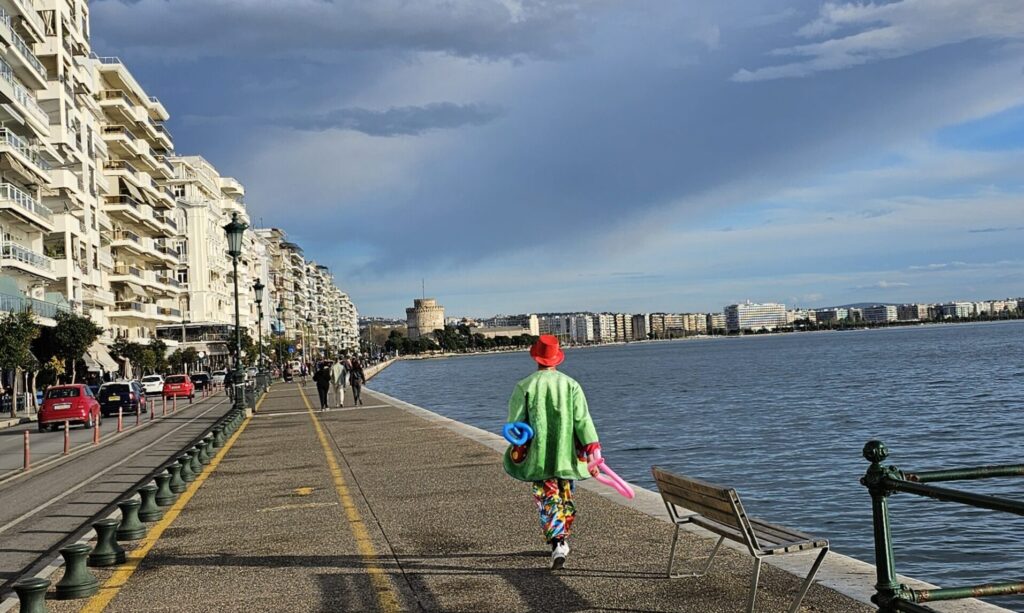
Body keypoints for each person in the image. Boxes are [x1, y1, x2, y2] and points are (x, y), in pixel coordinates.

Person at [503, 335, 601, 570]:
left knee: (546, 497)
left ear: (536, 357)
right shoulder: (571, 385)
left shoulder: (525, 386)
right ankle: (562, 538)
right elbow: (582, 420)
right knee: (565, 493)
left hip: (538, 456)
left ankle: (558, 542)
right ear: (557, 358)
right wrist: (592, 449)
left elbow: (515, 424)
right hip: (566, 455)